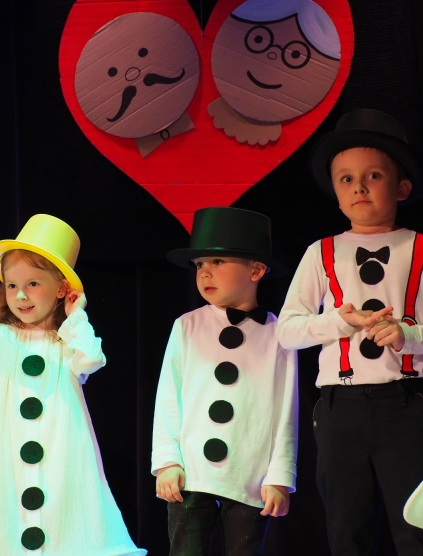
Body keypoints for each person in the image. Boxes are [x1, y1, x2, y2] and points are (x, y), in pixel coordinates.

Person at [0, 214, 146, 556]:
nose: (21, 295)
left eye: (33, 284)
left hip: (61, 456)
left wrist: (77, 315)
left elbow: (90, 358)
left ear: (61, 289)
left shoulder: (66, 340)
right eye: (12, 286)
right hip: (5, 463)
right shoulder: (1, 338)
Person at [277, 109, 423, 555]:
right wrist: (341, 321)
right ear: (336, 193)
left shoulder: (419, 247)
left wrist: (407, 336)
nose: (359, 187)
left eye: (373, 175)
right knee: (346, 530)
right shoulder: (321, 252)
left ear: (401, 188)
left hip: (407, 405)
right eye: (346, 179)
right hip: (340, 409)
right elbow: (288, 331)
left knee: (415, 528)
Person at [152, 207, 298, 556]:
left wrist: (280, 475)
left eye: (218, 262)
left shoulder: (278, 332)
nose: (205, 272)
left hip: (250, 472)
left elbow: (286, 408)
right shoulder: (187, 326)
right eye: (200, 264)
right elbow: (169, 396)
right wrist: (168, 461)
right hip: (191, 472)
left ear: (256, 270)